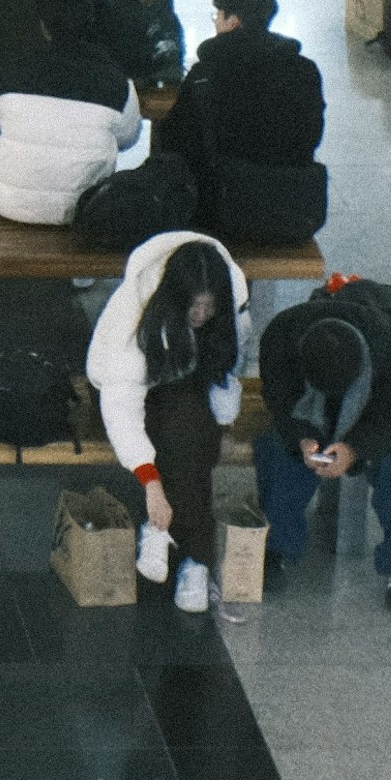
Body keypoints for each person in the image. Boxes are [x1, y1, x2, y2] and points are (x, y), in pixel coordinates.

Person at [90, 228, 251, 614]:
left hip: (185, 384)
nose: (202, 317)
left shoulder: (233, 298)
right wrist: (150, 484)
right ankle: (195, 557)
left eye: (210, 308)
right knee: (182, 430)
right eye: (194, 308)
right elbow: (123, 410)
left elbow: (230, 361)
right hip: (125, 390)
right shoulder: (132, 322)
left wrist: (225, 419)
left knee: (190, 432)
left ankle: (162, 533)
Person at [254, 280, 391, 613]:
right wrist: (302, 437)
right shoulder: (281, 335)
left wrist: (357, 449)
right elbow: (279, 399)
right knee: (276, 450)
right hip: (307, 412)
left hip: (373, 415)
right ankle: (276, 545)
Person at [161, 0, 330, 247]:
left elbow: (177, 140)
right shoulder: (304, 70)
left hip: (219, 210)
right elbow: (312, 135)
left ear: (233, 21)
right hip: (292, 207)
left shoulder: (205, 75)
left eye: (217, 15)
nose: (215, 22)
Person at [0, 0, 142, 228]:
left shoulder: (7, 73)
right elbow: (129, 138)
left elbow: (2, 120)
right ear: (90, 23)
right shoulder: (116, 82)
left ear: (43, 25)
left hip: (8, 204)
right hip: (85, 210)